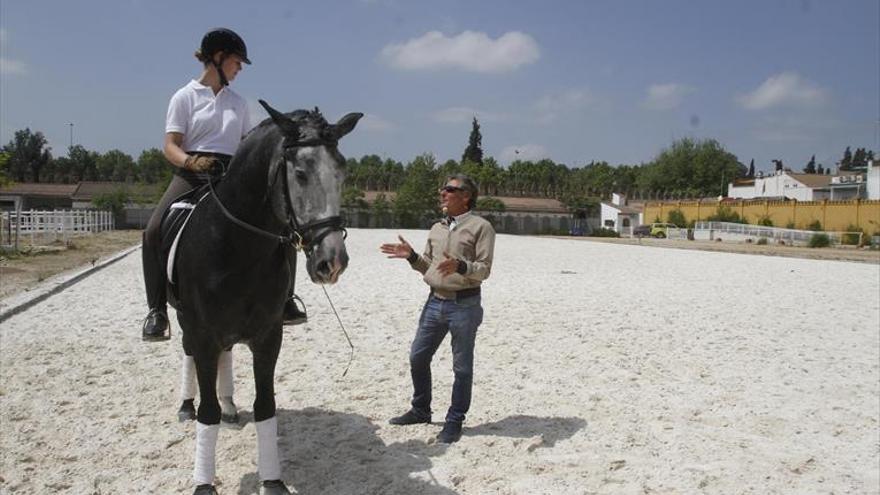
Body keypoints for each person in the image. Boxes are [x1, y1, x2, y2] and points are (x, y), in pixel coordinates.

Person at [141, 27, 305, 343]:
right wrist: (190, 162)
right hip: (191, 175)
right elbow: (170, 145)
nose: (239, 68)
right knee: (153, 231)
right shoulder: (184, 97)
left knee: (282, 229)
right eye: (237, 62)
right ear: (218, 58)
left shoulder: (238, 103)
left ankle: (286, 301)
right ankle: (156, 311)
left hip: (231, 175)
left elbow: (245, 143)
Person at [380, 173, 496, 443]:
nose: (442, 193)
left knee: (462, 368)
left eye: (449, 189)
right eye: (442, 189)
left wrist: (461, 266)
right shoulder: (437, 228)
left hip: (465, 305)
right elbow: (429, 265)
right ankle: (421, 409)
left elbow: (484, 270)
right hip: (434, 302)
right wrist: (411, 257)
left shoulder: (481, 227)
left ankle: (454, 420)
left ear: (466, 196)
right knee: (417, 357)